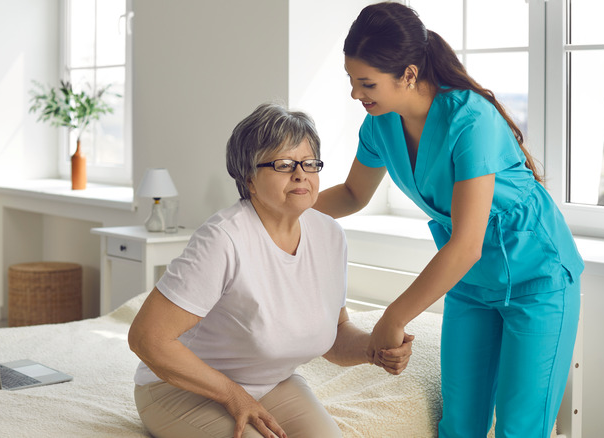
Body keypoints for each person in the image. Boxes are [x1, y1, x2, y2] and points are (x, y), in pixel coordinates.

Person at [313, 3, 584, 438]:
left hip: (538, 279)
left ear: (408, 74)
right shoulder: (380, 125)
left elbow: (466, 243)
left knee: (520, 429)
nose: (355, 94)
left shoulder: (470, 119)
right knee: (460, 426)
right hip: (471, 284)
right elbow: (351, 195)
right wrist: (276, 210)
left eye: (366, 83)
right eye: (351, 80)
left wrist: (394, 317)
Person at [128, 102, 414, 438]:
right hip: (180, 389)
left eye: (309, 163)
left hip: (272, 384)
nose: (300, 174)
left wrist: (375, 350)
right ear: (248, 178)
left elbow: (334, 335)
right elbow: (148, 339)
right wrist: (233, 394)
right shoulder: (224, 238)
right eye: (283, 164)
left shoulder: (329, 235)